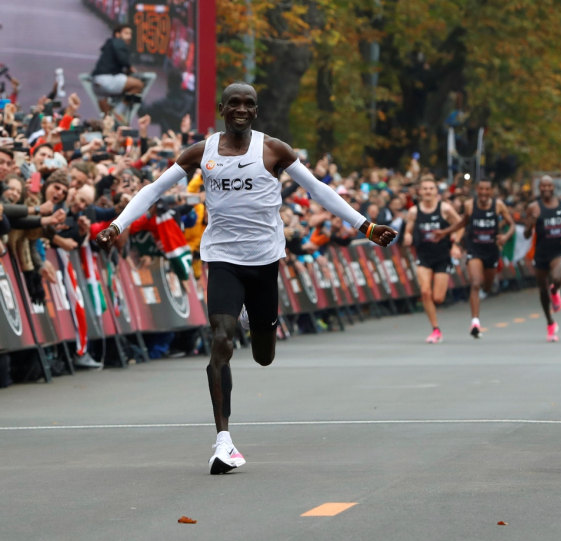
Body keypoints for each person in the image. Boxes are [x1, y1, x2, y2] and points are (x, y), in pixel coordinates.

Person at [96, 81, 396, 474]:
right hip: (222, 258)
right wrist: (117, 225)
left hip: (264, 260)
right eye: (233, 103)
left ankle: (257, 324)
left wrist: (365, 226)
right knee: (220, 339)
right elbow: (153, 191)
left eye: (248, 104)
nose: (241, 109)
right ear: (222, 108)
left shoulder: (274, 150)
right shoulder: (202, 152)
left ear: (256, 111)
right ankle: (223, 441)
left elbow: (318, 189)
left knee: (263, 355)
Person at [435, 177, 515, 338]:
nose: (484, 192)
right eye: (481, 189)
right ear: (477, 190)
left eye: (487, 189)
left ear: (491, 191)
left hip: (491, 250)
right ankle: (475, 322)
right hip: (474, 249)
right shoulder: (469, 205)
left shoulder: (498, 205)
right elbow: (462, 223)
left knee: (487, 286)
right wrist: (444, 232)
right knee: (476, 283)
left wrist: (505, 236)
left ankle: (485, 290)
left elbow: (512, 224)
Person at [402, 176, 459, 343]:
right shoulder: (414, 211)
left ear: (436, 191)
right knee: (425, 292)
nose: (428, 191)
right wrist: (407, 236)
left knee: (438, 298)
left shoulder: (445, 208)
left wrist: (456, 243)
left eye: (431, 188)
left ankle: (435, 323)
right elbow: (408, 230)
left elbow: (460, 224)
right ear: (420, 192)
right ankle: (435, 329)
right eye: (425, 188)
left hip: (442, 256)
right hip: (423, 256)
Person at [524, 176, 561, 342]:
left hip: (559, 250)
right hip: (541, 252)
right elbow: (526, 234)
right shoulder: (533, 207)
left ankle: (555, 291)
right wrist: (532, 221)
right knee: (542, 290)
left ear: (553, 187)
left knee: (557, 278)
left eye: (549, 186)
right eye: (543, 186)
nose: (546, 188)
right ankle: (550, 323)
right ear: (539, 188)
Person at [90, 23, 144, 115]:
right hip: (107, 81)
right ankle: (119, 111)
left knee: (108, 118)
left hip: (96, 84)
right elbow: (123, 59)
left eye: (130, 34)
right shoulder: (118, 42)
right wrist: (129, 67)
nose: (129, 37)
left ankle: (113, 116)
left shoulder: (109, 45)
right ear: (117, 34)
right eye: (126, 33)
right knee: (138, 85)